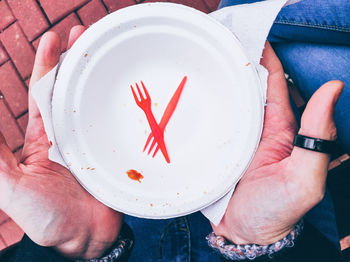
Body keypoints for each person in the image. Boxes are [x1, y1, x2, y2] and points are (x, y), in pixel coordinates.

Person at [0, 1, 347, 261]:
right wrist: (259, 243)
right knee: (263, 27)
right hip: (249, 209)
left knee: (256, 27)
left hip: (108, 219)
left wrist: (75, 246)